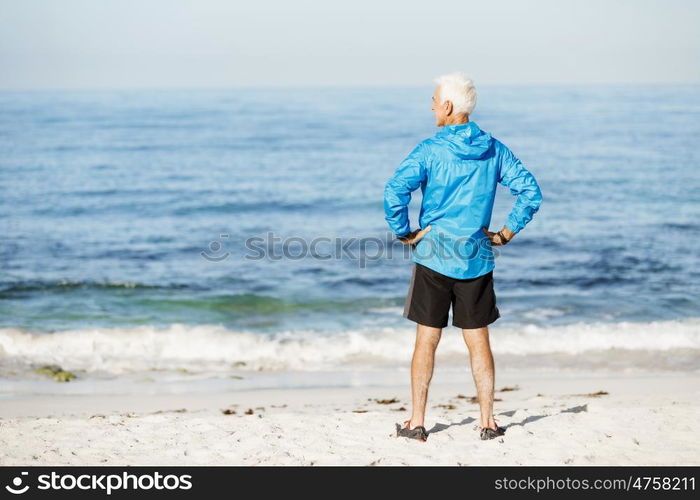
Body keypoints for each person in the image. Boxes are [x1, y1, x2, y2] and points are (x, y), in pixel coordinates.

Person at [384, 72, 543, 441]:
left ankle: (417, 422)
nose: (432, 106)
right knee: (478, 340)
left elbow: (395, 191)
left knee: (427, 339)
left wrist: (404, 231)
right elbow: (530, 192)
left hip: (433, 257)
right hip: (475, 257)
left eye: (435, 100)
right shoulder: (494, 149)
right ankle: (488, 422)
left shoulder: (429, 150)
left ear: (449, 107)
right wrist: (505, 232)